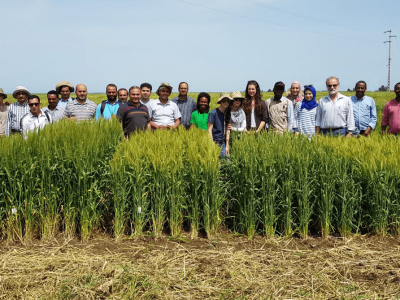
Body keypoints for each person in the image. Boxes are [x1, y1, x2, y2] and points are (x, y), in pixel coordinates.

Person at [208, 92, 232, 157]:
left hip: (223, 142)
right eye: (224, 100)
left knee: (226, 161)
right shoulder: (214, 113)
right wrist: (212, 143)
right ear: (220, 101)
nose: (226, 102)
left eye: (228, 101)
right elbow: (209, 130)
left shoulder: (228, 113)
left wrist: (227, 145)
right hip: (215, 141)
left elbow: (228, 129)